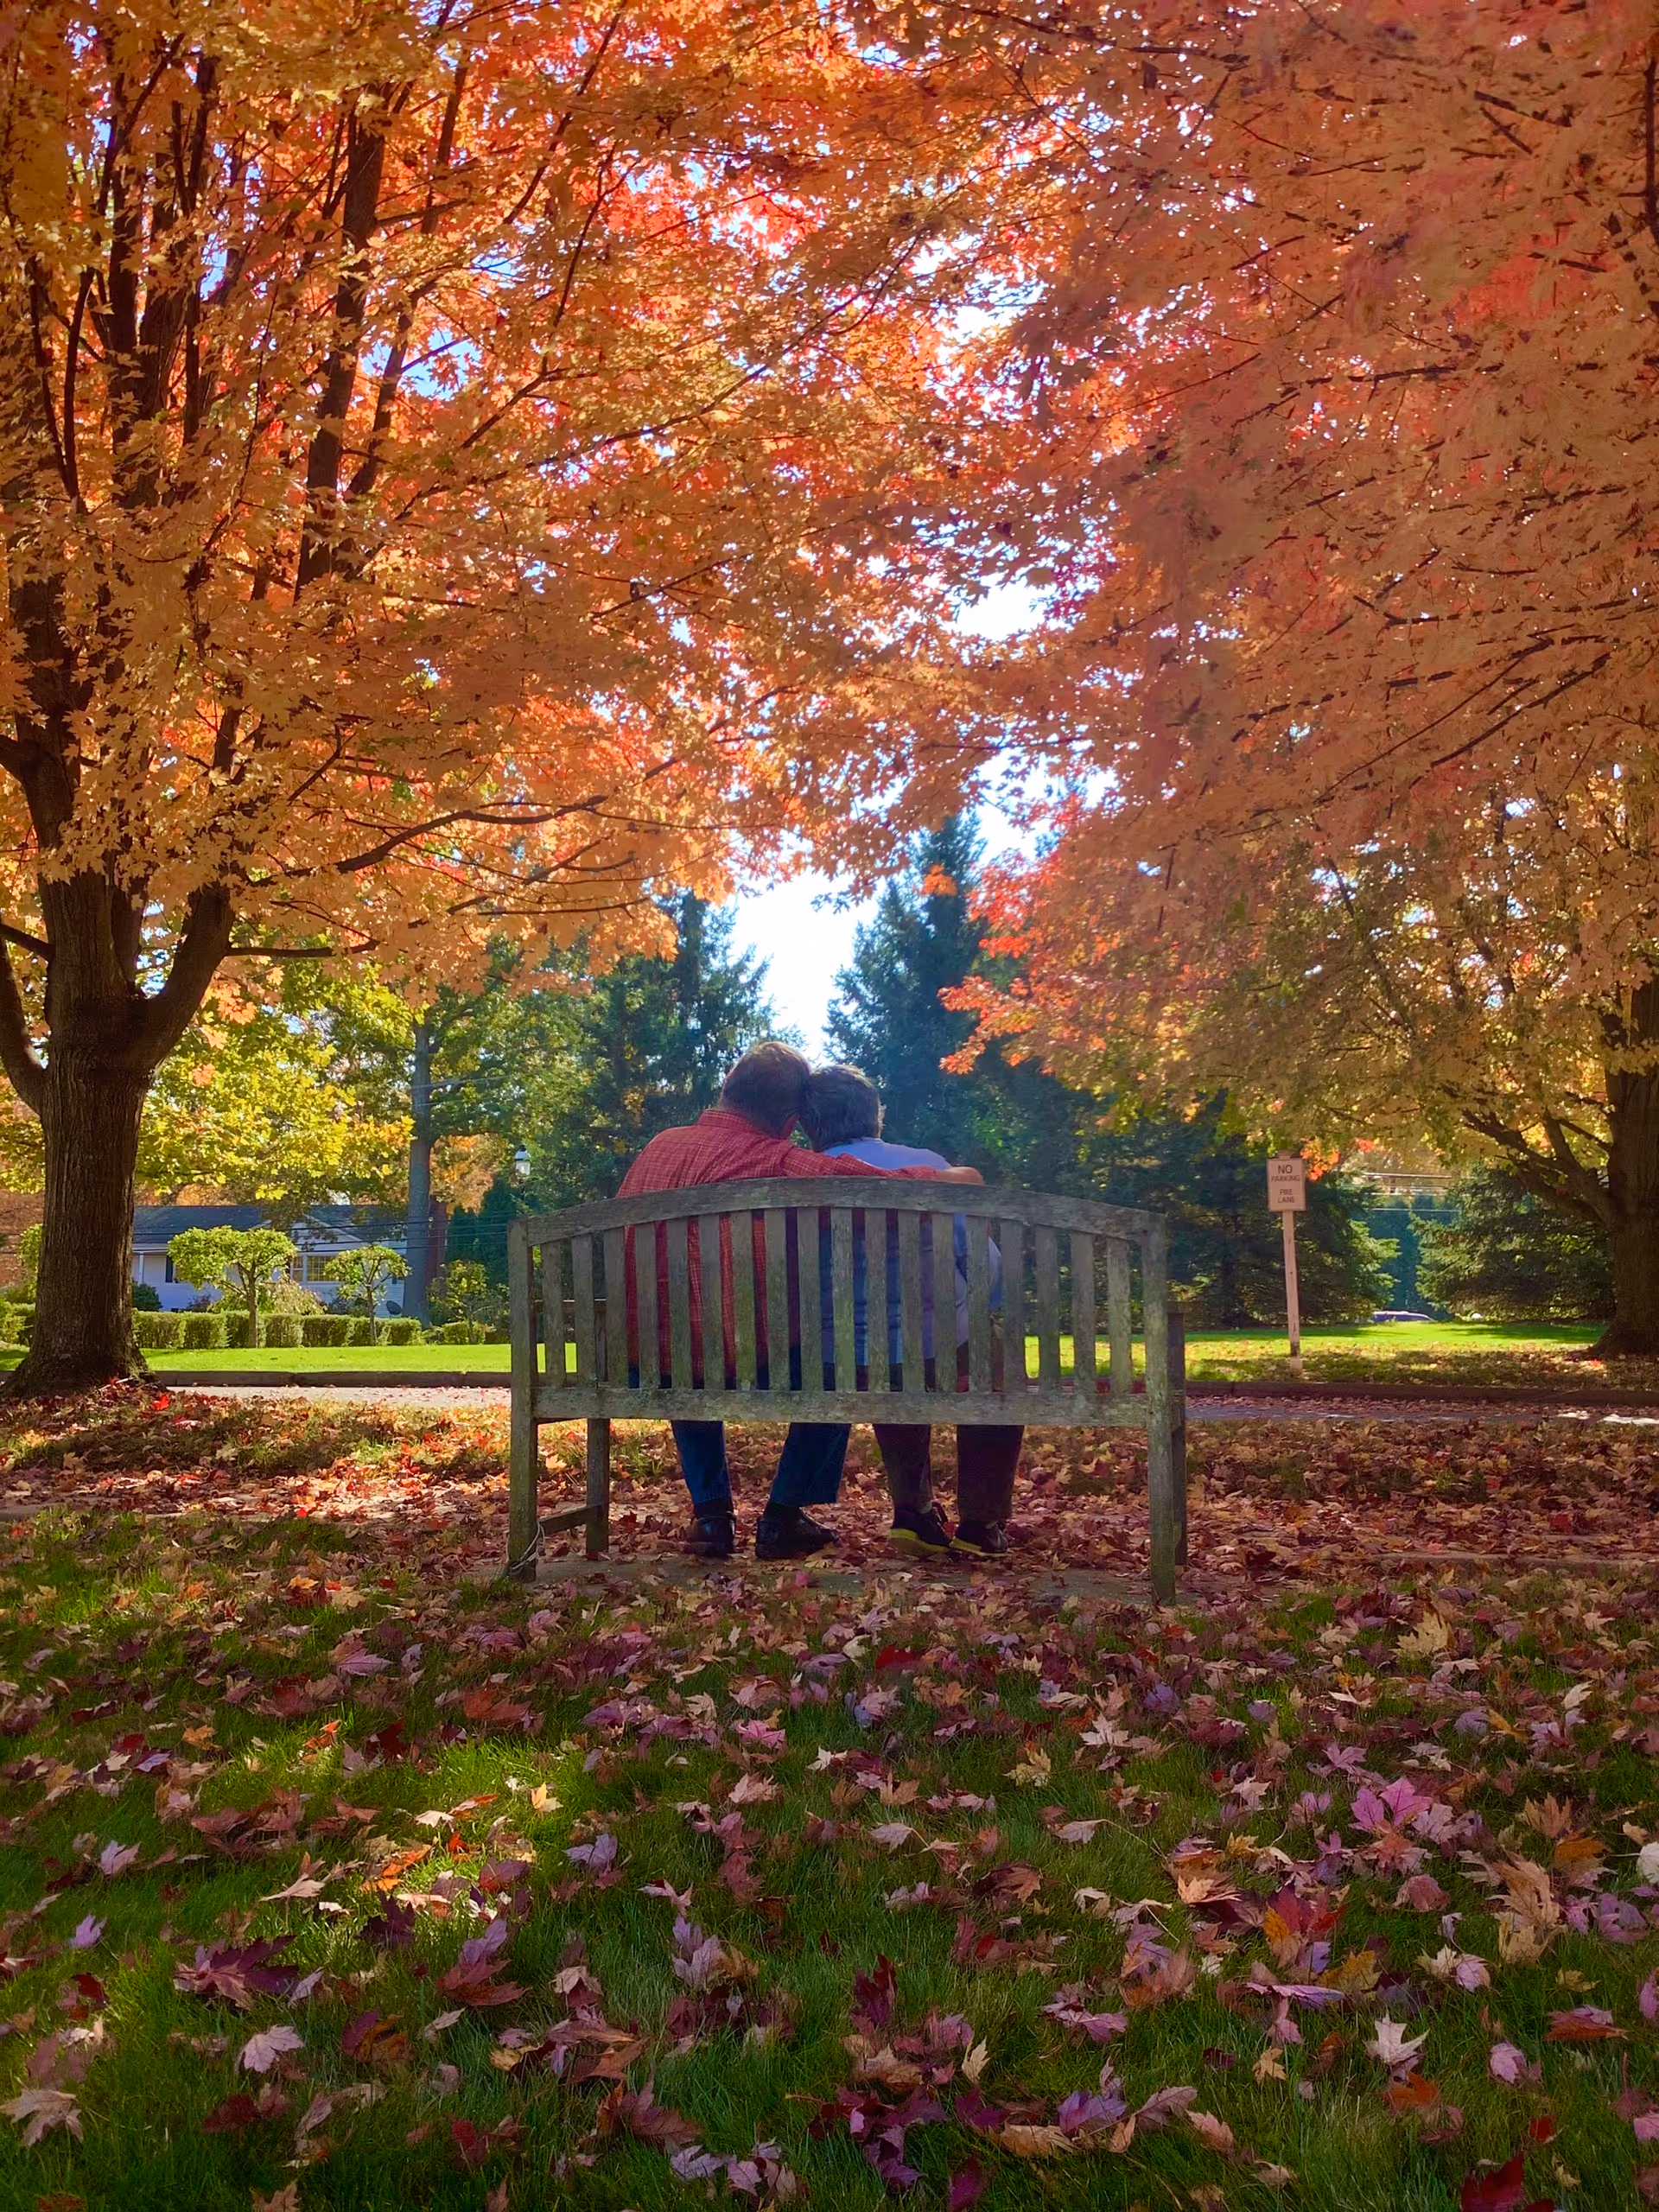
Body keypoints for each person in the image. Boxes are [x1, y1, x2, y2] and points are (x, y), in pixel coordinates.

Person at [618, 1041, 982, 1562]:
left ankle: (712, 1515)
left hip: (643, 1364)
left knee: (684, 1344)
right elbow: (878, 1193)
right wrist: (951, 1179)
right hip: (736, 1363)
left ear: (727, 1090)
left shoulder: (658, 1147)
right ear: (790, 1121)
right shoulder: (774, 1159)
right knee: (835, 1367)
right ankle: (782, 1516)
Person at [800, 1062, 1023, 1561]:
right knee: (986, 1361)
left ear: (808, 1125)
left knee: (885, 1356)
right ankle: (979, 1523)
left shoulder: (797, 1176)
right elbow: (987, 1270)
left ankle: (913, 1513)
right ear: (874, 1116)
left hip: (839, 1361)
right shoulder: (926, 1164)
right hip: (935, 1347)